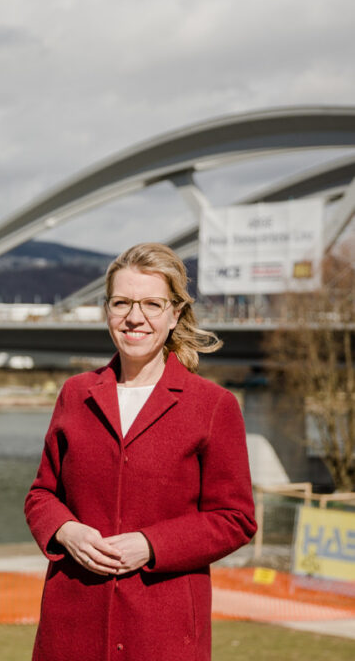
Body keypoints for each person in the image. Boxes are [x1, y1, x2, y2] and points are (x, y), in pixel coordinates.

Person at [24, 242, 256, 661]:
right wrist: (66, 531)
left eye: (152, 303)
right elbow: (41, 495)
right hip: (72, 628)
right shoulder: (75, 395)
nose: (135, 317)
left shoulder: (213, 406)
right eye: (122, 302)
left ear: (175, 314)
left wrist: (151, 545)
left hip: (163, 635)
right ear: (107, 310)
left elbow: (236, 519)